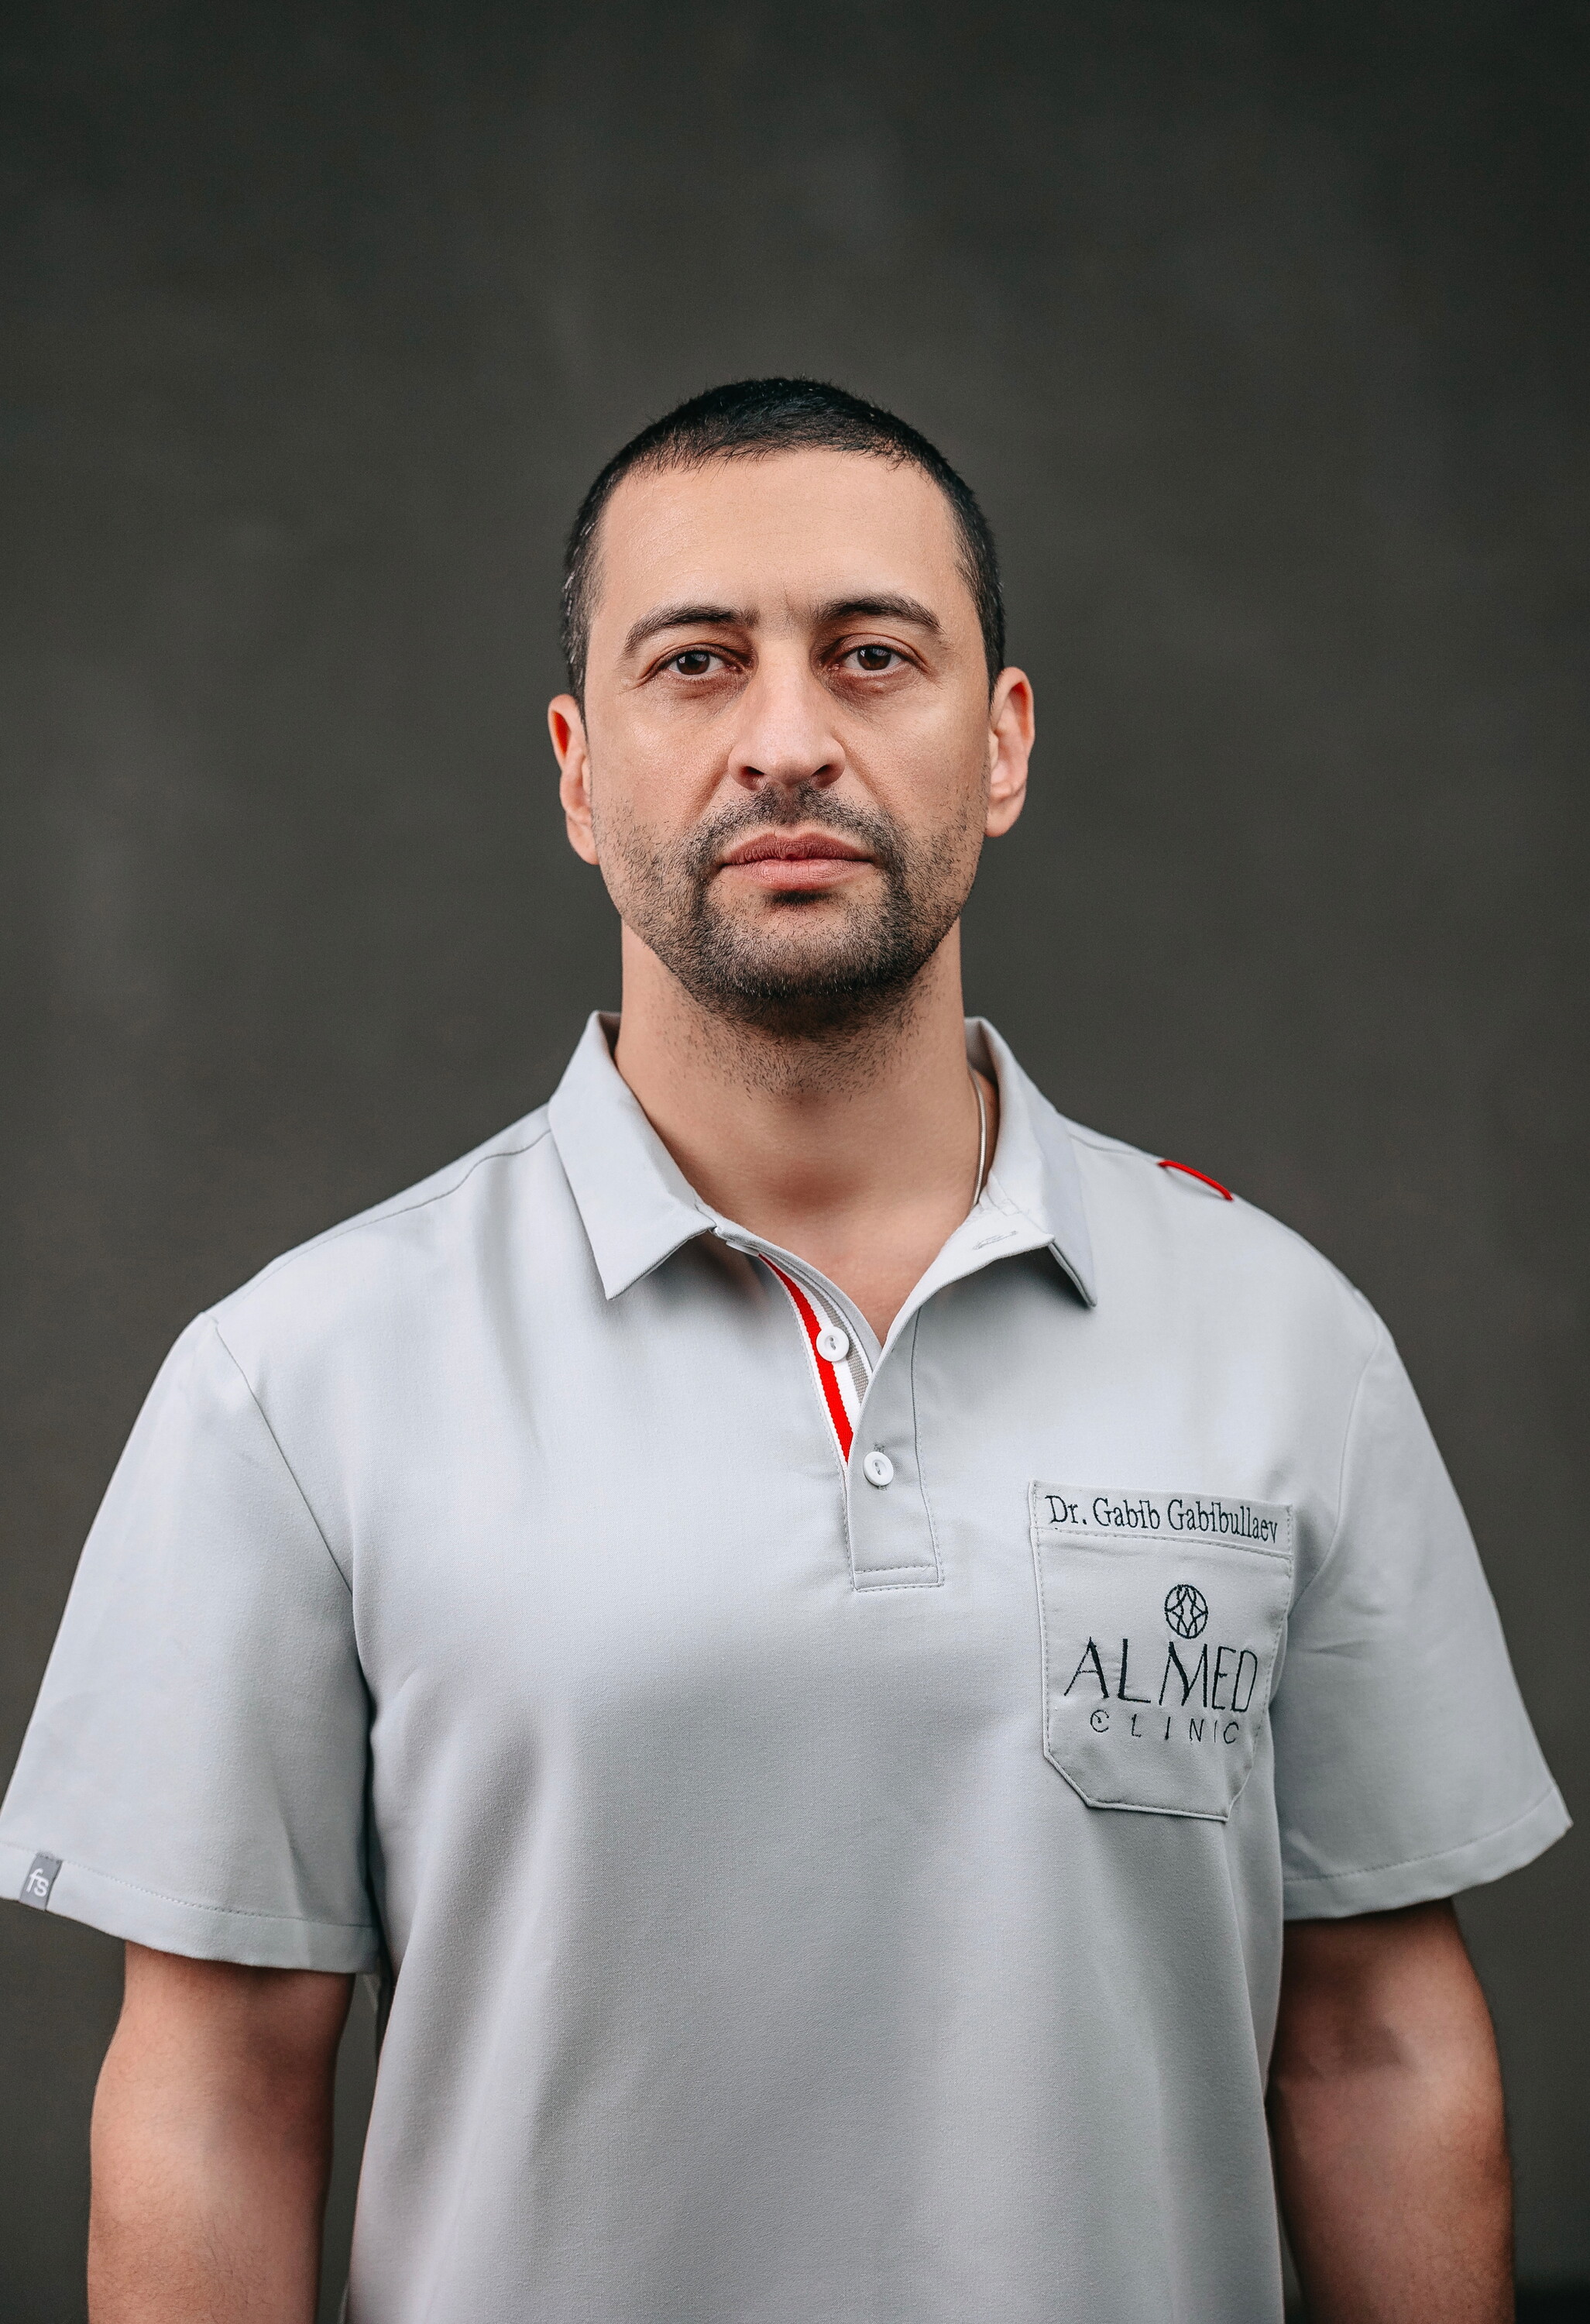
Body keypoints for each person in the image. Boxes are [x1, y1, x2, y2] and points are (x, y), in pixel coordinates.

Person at [1, 377, 1568, 2324]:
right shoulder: (295, 1382)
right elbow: (218, 2095)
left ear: (1002, 741)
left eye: (872, 655)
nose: (787, 740)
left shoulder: (1284, 1344)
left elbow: (1371, 2041)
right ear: (578, 771)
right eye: (697, 663)